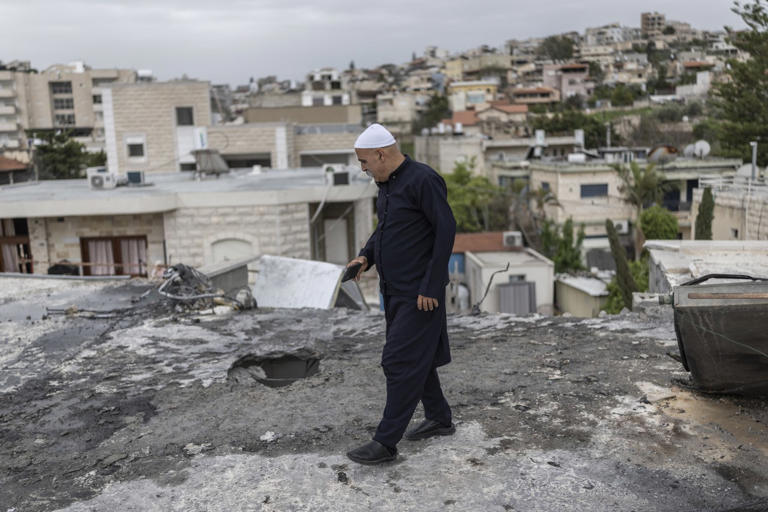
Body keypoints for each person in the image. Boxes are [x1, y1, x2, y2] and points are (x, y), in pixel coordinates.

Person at [345, 123, 457, 465]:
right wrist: (366, 255)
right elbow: (388, 228)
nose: (363, 169)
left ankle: (386, 441)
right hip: (394, 291)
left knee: (398, 360)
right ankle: (439, 418)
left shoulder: (423, 179)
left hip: (419, 294)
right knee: (417, 358)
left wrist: (431, 284)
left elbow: (446, 229)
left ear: (381, 154)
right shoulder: (387, 185)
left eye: (364, 162)